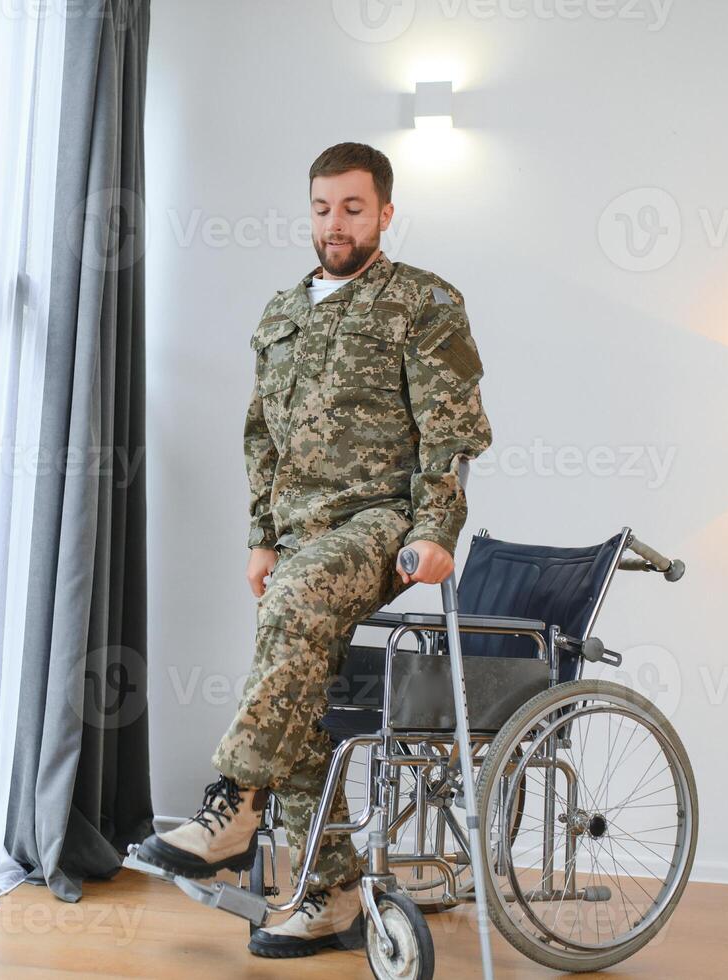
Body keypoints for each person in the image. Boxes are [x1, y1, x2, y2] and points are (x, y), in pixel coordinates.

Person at [131, 142, 493, 958]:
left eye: (354, 208)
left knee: (294, 613)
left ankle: (234, 800)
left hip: (378, 523)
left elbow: (452, 432)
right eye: (323, 208)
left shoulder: (424, 301)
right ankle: (327, 895)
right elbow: (261, 433)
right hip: (297, 533)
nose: (336, 224)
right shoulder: (281, 312)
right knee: (294, 671)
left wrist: (435, 529)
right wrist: (261, 535)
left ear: (385, 212)